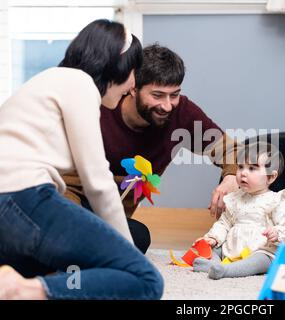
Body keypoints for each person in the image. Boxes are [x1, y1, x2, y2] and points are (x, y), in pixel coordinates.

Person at [0, 19, 163, 300]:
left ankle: (18, 281)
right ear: (119, 65)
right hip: (22, 197)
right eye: (135, 71)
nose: (134, 84)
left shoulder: (49, 80)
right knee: (145, 279)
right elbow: (97, 181)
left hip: (10, 210)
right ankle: (23, 289)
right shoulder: (79, 82)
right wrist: (125, 253)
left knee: (72, 270)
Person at [62, 43, 240, 253]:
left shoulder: (181, 113)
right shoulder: (100, 107)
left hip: (110, 216)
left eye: (173, 95)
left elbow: (232, 150)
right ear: (132, 88)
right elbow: (61, 178)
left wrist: (231, 176)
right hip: (67, 201)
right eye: (157, 95)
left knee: (138, 237)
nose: (167, 105)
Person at [192, 141, 285, 279]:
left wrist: (277, 233)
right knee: (214, 248)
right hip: (232, 247)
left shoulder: (277, 200)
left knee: (262, 259)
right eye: (241, 167)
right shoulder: (234, 198)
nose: (243, 173)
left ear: (270, 177)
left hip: (260, 250)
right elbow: (224, 223)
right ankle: (214, 263)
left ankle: (227, 270)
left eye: (252, 168)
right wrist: (213, 238)